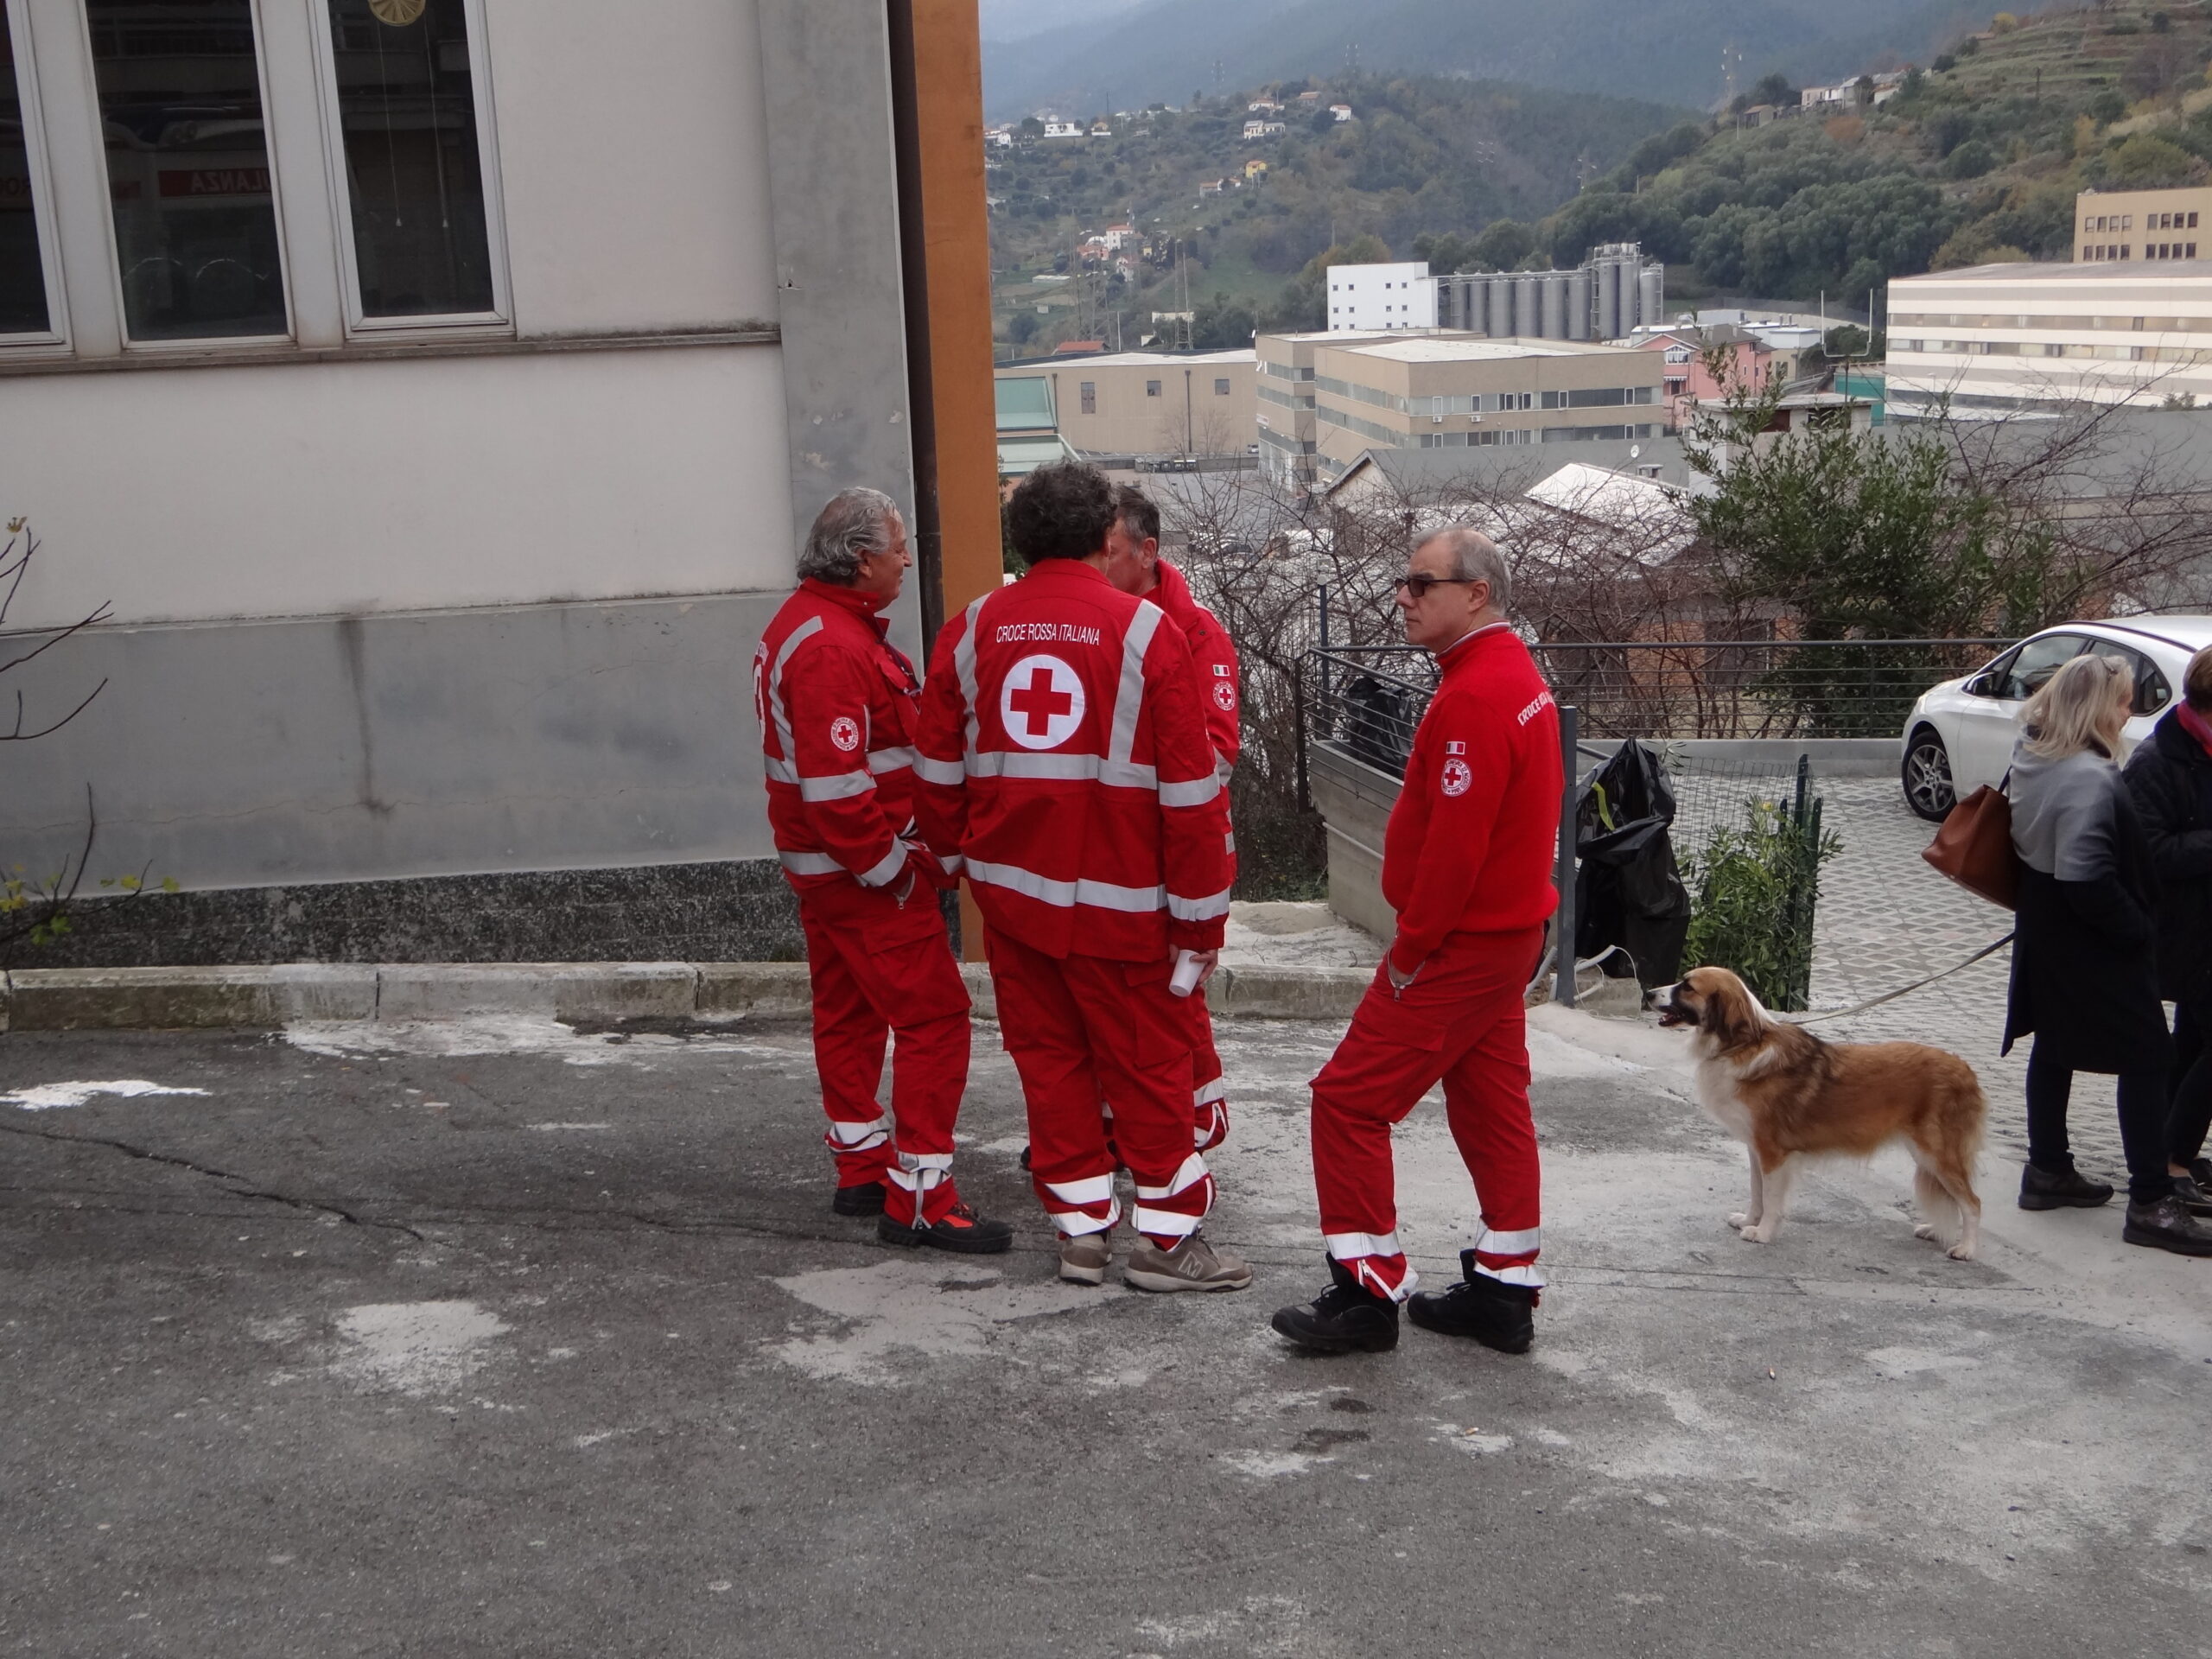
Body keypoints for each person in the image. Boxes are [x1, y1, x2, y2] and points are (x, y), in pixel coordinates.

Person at [913, 461, 1245, 1293]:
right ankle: (1167, 1246)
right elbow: (1193, 795)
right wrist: (1201, 924)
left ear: (1018, 540)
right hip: (1126, 909)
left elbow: (935, 768)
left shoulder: (971, 628)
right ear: (1106, 536)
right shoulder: (1146, 633)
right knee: (1148, 1073)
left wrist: (955, 861)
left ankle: (1081, 1238)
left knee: (1051, 1068)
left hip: (1012, 903)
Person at [1271, 527, 1563, 1356]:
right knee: (1494, 1111)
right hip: (1501, 941)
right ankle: (1504, 1292)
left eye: (1420, 583)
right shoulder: (1509, 679)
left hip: (1462, 946)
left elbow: (1456, 850)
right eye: (1403, 582)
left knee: (1347, 1102)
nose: (1403, 595)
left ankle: (1364, 1296)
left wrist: (1412, 949)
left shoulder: (1476, 694)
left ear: (1475, 593)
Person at [753, 487, 1011, 1254]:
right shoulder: (833, 646)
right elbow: (838, 793)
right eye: (898, 548)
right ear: (862, 560)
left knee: (849, 1013)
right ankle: (921, 1198)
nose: (907, 559)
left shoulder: (811, 626)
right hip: (861, 878)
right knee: (935, 1020)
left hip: (827, 877)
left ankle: (862, 1165)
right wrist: (896, 870)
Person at [2004, 652, 2212, 1255]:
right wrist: (2139, 928)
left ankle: (2048, 1169)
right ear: (2098, 708)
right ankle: (2150, 1201)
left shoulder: (2033, 754)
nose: (2129, 714)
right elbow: (2086, 876)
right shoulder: (2088, 777)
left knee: (2054, 1046)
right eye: (2123, 702)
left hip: (2044, 922)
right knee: (2148, 1057)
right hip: (2089, 931)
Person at [1101, 484, 1242, 1154]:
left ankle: (1198, 1110)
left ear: (1147, 552)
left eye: (1109, 553)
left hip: (1176, 849)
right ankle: (1111, 1117)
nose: (1096, 567)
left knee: (1172, 987)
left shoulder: (1196, 633)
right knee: (1113, 993)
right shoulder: (1099, 623)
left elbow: (1216, 756)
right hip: (1115, 850)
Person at [2123, 645, 2212, 1216]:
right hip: (2182, 928)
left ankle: (2172, 1150)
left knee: (2196, 1041)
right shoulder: (2158, 759)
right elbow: (2148, 851)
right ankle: (2171, 1161)